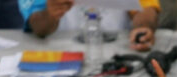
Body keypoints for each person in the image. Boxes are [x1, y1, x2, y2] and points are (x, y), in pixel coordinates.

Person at [20, 0, 160, 52]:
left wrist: (143, 28)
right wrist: (50, 13)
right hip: (63, 58)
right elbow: (38, 26)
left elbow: (147, 9)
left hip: (117, 57)